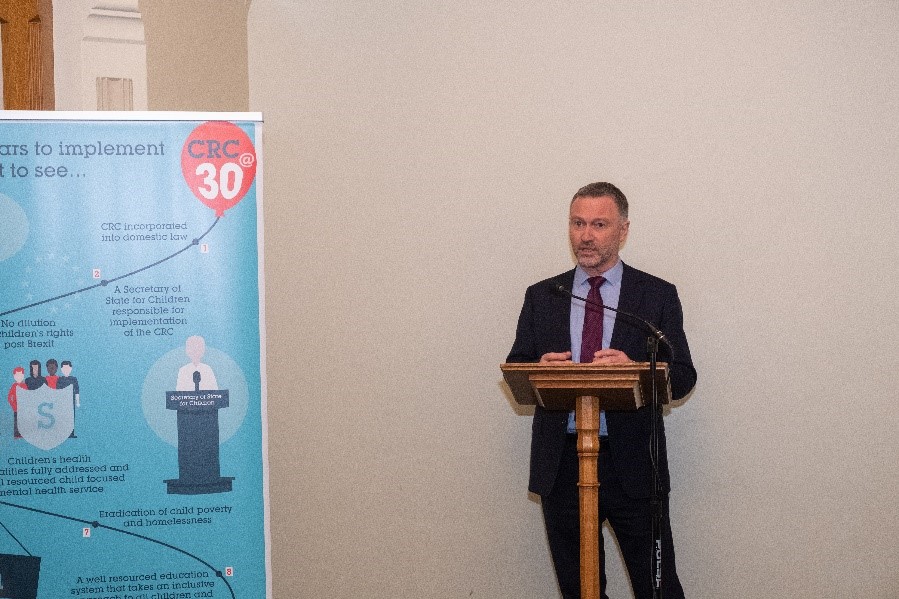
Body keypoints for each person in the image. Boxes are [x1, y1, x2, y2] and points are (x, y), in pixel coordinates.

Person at [506, 182, 697, 599]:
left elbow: (683, 376)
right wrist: (538, 371)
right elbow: (516, 371)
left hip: (633, 467)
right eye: (577, 223)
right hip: (564, 465)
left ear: (623, 230)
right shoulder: (542, 296)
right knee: (581, 592)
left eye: (598, 224)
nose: (586, 235)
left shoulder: (655, 295)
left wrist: (639, 369)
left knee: (660, 591)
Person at [57, 360, 80, 438]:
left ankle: (71, 433)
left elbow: (77, 391)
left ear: (71, 369)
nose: (66, 370)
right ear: (61, 369)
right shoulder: (60, 379)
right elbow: (57, 391)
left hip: (71, 401)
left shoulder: (73, 379)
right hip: (62, 402)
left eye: (67, 368)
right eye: (64, 368)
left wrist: (77, 402)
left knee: (71, 417)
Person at [7, 367, 26, 438]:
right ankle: (17, 434)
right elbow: (9, 397)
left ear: (23, 375)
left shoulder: (24, 385)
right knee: (16, 421)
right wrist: (14, 406)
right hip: (16, 408)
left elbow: (28, 395)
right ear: (14, 376)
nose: (19, 377)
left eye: (21, 375)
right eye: (17, 375)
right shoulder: (14, 386)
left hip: (23, 408)